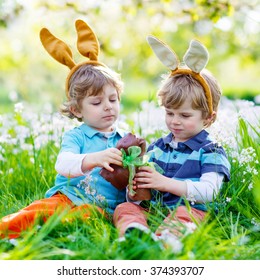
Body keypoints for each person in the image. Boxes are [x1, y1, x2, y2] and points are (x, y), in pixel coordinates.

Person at [0, 20, 128, 239]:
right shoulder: (76, 136)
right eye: (96, 103)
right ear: (77, 110)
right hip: (66, 196)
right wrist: (95, 158)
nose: (107, 106)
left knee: (85, 217)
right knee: (36, 212)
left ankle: (51, 230)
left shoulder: (125, 138)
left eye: (113, 99)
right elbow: (63, 164)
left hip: (102, 207)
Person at [113, 36, 231, 249]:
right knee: (124, 208)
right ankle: (135, 233)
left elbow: (209, 191)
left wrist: (163, 182)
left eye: (185, 116)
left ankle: (167, 241)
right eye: (170, 113)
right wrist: (136, 193)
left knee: (183, 213)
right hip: (156, 210)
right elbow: (145, 194)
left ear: (208, 118)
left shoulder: (211, 150)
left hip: (192, 209)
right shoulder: (157, 147)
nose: (175, 121)